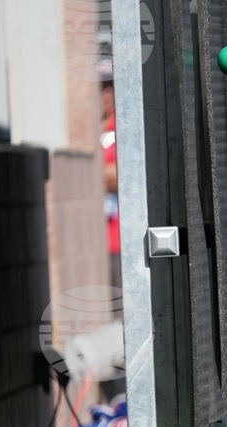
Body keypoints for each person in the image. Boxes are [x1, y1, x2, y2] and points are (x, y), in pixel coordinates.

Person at [99, 56, 121, 292]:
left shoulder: (120, 127)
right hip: (97, 239)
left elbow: (115, 176)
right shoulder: (92, 129)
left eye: (111, 88)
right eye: (102, 88)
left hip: (119, 237)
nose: (106, 95)